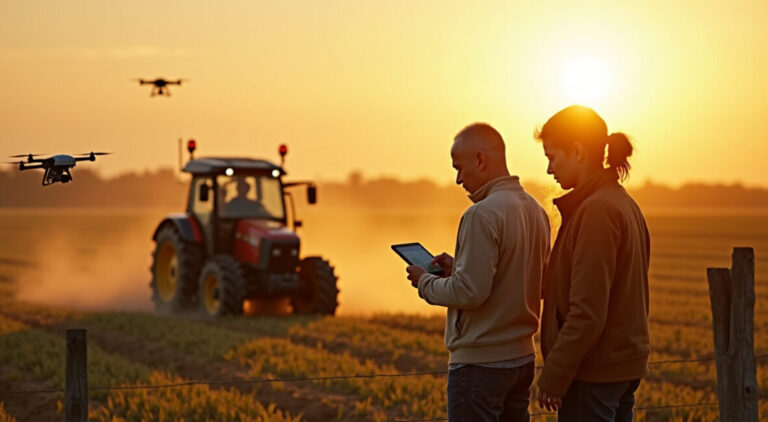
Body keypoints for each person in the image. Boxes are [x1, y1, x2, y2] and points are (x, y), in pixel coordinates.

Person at [406, 123, 550, 422]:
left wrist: (425, 281)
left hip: (481, 365)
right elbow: (529, 281)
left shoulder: (481, 214)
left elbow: (469, 293)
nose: (458, 179)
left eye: (459, 168)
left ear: (481, 160)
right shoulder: (535, 210)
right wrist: (456, 268)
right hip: (522, 359)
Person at [533, 105, 650, 422]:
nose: (548, 170)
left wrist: (555, 374)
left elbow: (587, 311)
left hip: (594, 374)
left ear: (577, 150)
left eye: (551, 157)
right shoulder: (622, 203)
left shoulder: (597, 211)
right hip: (618, 367)